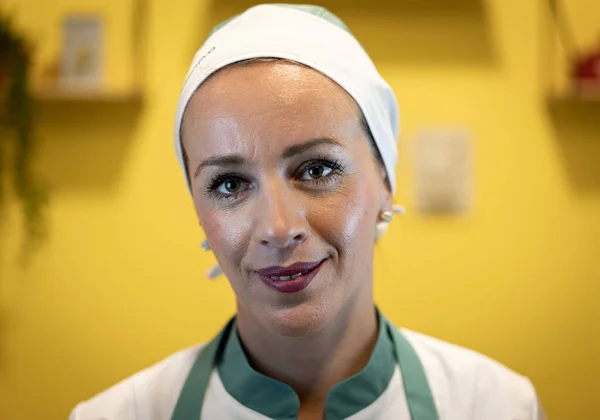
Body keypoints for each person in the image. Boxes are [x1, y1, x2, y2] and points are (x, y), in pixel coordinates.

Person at [69, 4, 546, 420]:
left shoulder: (497, 407)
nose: (279, 228)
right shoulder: (116, 415)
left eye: (316, 170)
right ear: (198, 210)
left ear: (385, 182)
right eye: (229, 184)